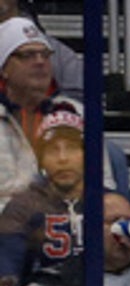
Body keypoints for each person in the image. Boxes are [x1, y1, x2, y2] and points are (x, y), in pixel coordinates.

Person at [0, 101, 84, 286]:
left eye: (71, 148)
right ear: (41, 160)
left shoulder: (113, 204)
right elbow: (7, 271)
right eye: (53, 150)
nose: (63, 158)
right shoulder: (22, 208)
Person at [0, 17, 79, 209]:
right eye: (27, 55)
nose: (40, 62)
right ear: (4, 69)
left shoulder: (75, 113)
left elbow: (103, 186)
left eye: (45, 55)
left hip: (71, 220)